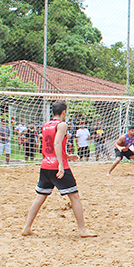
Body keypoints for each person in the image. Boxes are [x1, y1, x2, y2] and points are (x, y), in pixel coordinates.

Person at [22, 100, 96, 238]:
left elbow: (48, 146)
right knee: (75, 197)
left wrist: (67, 156)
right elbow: (56, 142)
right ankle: (83, 230)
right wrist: (61, 164)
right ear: (64, 112)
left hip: (45, 165)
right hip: (57, 166)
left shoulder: (46, 125)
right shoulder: (62, 124)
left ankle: (27, 227)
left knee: (40, 197)